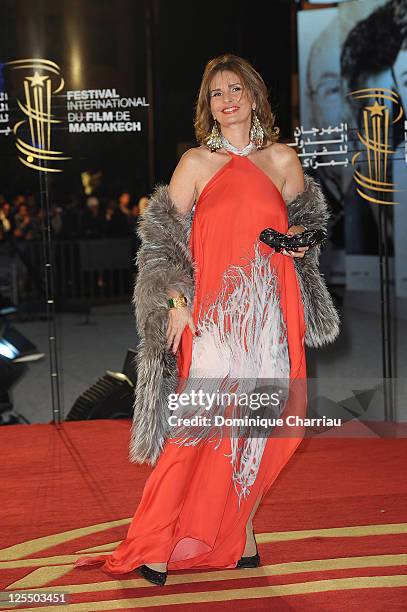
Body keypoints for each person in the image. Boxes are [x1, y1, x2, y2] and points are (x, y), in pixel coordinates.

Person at [74, 54, 339, 586]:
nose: (227, 99)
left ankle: (241, 532)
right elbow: (162, 243)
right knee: (195, 430)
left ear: (255, 96)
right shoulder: (196, 163)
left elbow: (307, 228)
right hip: (213, 318)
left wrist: (299, 245)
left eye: (235, 88)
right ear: (208, 107)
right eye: (216, 93)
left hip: (269, 313)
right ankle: (156, 543)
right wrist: (175, 301)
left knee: (256, 430)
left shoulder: (284, 161)